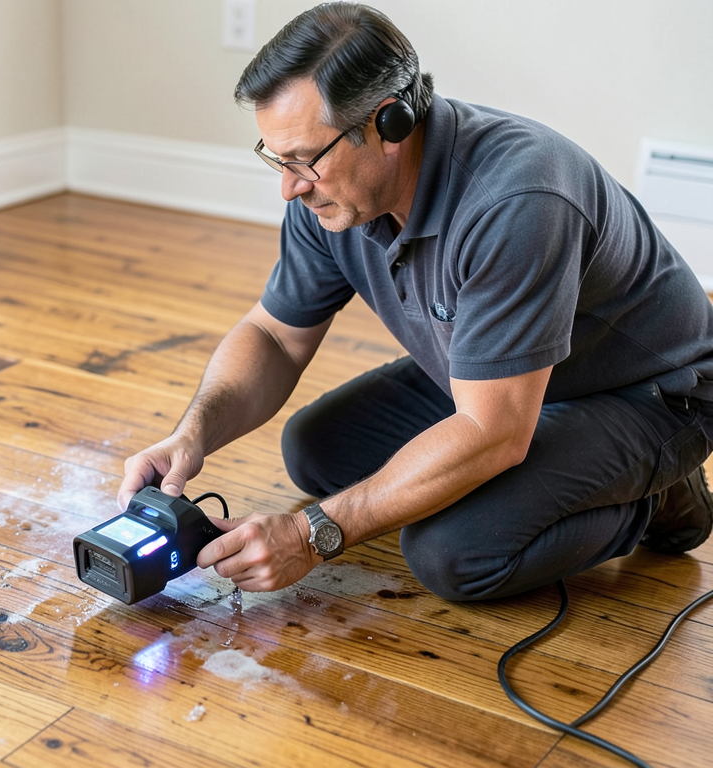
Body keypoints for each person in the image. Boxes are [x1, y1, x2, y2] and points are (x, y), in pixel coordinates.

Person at [117, 1, 713, 601]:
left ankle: (658, 493)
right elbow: (275, 336)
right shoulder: (332, 200)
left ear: (389, 124)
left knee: (453, 553)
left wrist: (311, 533)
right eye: (276, 156)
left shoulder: (518, 199)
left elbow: (495, 429)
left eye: (304, 160)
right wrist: (190, 436)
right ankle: (569, 468)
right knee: (316, 449)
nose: (288, 186)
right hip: (498, 375)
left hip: (650, 395)